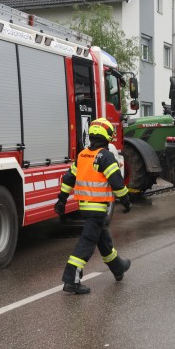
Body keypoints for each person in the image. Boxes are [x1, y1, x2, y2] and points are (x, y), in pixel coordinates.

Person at [54, 117, 132, 294]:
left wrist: (61, 200)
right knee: (87, 243)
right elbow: (117, 183)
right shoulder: (106, 157)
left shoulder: (82, 155)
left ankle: (118, 267)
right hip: (97, 209)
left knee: (103, 240)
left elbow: (68, 179)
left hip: (85, 208)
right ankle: (71, 280)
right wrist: (127, 201)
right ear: (107, 137)